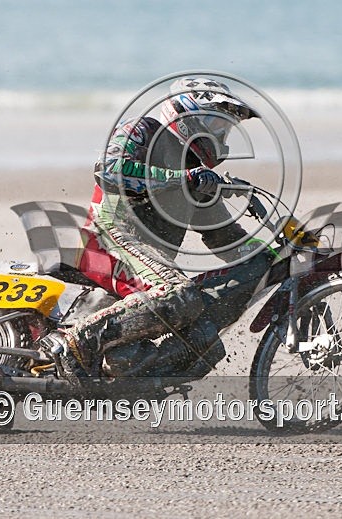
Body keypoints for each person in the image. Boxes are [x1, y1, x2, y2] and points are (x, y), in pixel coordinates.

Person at [56, 77, 259, 376]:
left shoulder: (199, 178)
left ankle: (125, 383)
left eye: (225, 128)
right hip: (105, 241)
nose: (220, 134)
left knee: (203, 340)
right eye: (215, 124)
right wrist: (184, 178)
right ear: (186, 115)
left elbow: (226, 240)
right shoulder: (143, 130)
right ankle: (76, 343)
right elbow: (109, 171)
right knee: (178, 293)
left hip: (143, 262)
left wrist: (279, 255)